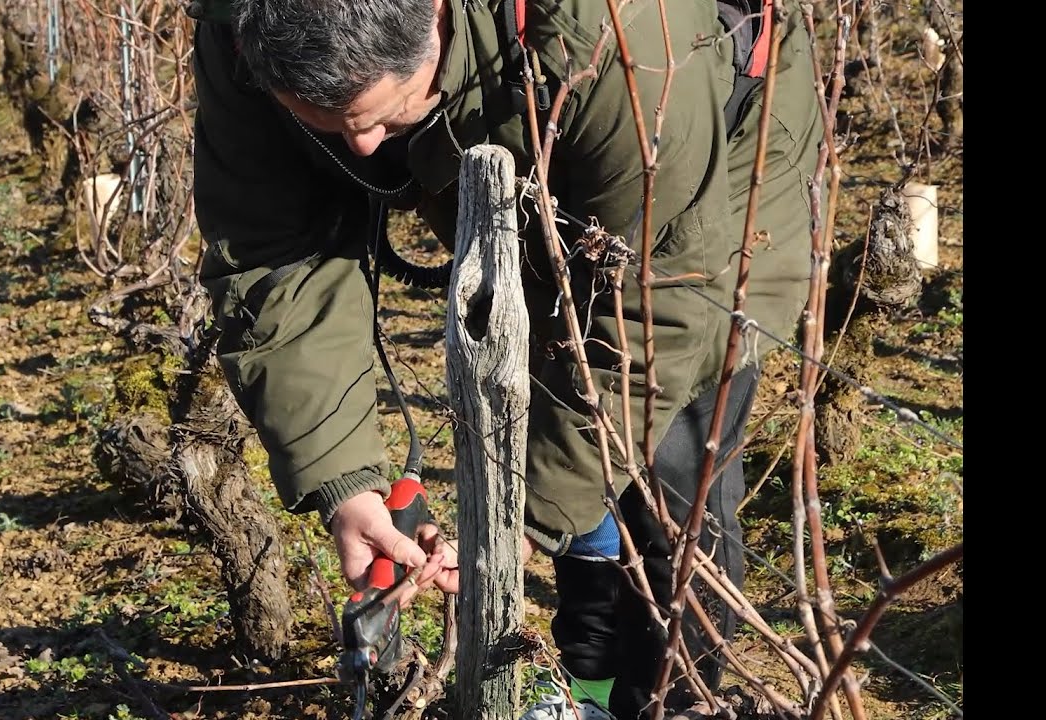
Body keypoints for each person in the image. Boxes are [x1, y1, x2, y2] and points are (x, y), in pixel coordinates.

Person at [188, 0, 822, 718]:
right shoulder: (242, 27)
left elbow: (665, 301)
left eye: (382, 116)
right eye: (327, 121)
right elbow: (275, 252)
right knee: (543, 397)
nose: (362, 150)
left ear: (435, 17)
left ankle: (676, 697)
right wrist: (345, 482)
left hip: (702, 161)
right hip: (516, 123)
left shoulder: (623, 31)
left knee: (668, 462)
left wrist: (523, 516)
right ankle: (589, 686)